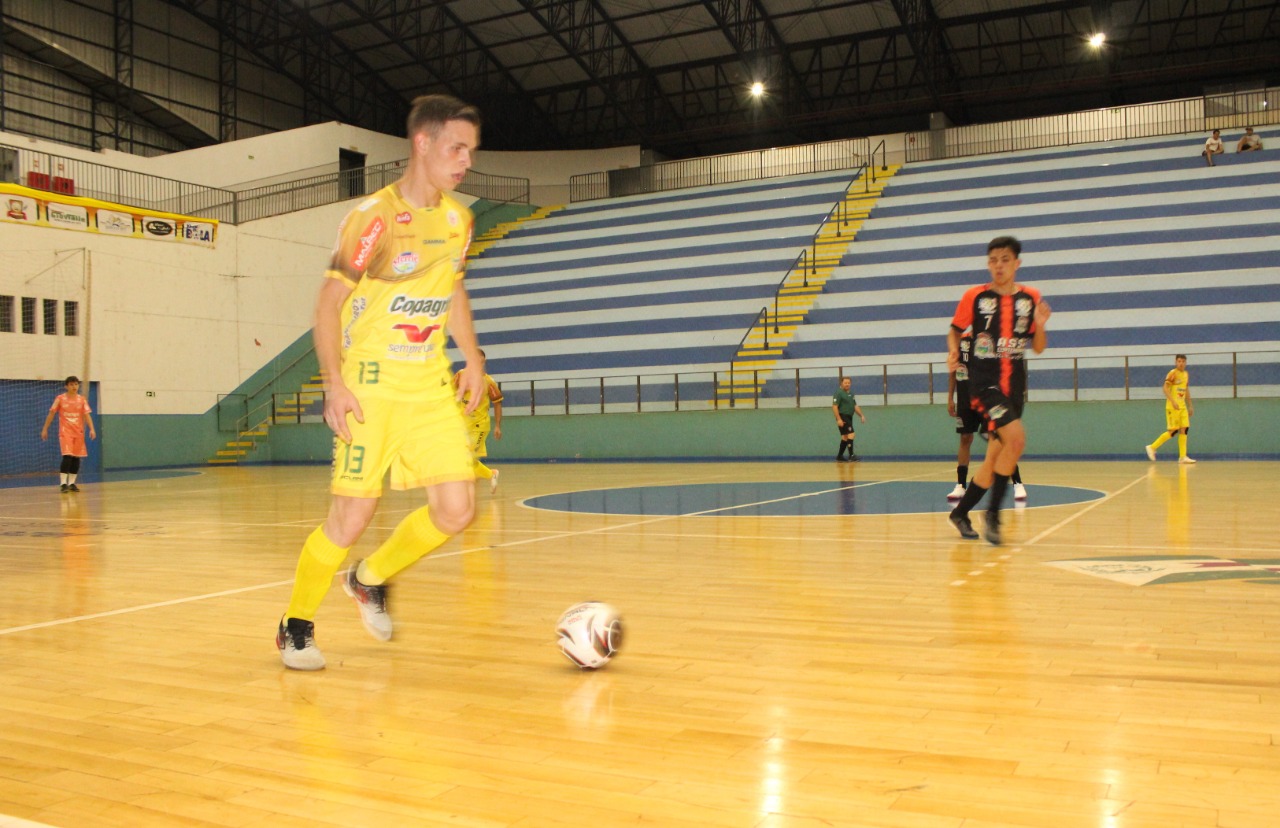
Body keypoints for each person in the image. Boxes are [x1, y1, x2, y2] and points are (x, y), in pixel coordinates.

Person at [276, 94, 487, 671]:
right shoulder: (373, 217)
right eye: (456, 147)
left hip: (428, 388)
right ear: (423, 144)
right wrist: (333, 384)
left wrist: (472, 356)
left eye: (470, 149)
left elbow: (454, 289)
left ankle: (369, 579)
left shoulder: (457, 220)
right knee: (349, 519)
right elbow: (328, 303)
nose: (466, 160)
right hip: (369, 386)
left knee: (456, 510)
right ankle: (295, 625)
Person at [946, 237, 1051, 544]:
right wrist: (953, 352)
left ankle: (960, 513)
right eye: (993, 260)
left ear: (1016, 263)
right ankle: (993, 514)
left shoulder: (1030, 298)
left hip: (1014, 385)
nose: (999, 265)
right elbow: (954, 331)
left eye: (1005, 259)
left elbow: (1039, 348)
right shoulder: (975, 297)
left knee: (995, 458)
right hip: (984, 382)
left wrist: (1041, 324)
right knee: (1016, 439)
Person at [947, 332, 1027, 502]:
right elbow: (953, 370)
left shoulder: (991, 339)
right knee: (965, 438)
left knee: (1000, 439)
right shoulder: (961, 341)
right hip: (965, 398)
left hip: (987, 397)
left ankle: (1017, 483)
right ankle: (961, 485)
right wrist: (949, 398)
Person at [452, 349, 503, 493]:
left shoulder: (488, 382)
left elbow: (497, 403)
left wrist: (498, 426)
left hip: (479, 425)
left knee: (467, 458)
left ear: (483, 362)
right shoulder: (461, 375)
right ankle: (490, 474)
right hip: (462, 425)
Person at [40, 376, 96, 493]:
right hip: (65, 432)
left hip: (79, 433)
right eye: (71, 384)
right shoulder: (60, 399)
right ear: (66, 386)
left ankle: (72, 483)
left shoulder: (82, 400)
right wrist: (45, 429)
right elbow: (51, 414)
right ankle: (63, 483)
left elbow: (87, 415)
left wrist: (92, 429)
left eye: (76, 384)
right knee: (67, 456)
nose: (74, 387)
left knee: (76, 458)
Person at [1144, 354, 1195, 464]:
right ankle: (1152, 447)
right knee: (1173, 431)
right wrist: (1173, 401)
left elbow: (1186, 389)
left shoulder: (1186, 374)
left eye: (1183, 361)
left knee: (1184, 429)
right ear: (1176, 362)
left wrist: (1190, 405)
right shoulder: (1173, 373)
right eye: (1179, 361)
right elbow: (1165, 388)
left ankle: (1182, 457)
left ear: (1186, 363)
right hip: (1173, 406)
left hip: (1182, 406)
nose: (1181, 363)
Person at [831, 375, 866, 461]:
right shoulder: (838, 393)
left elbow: (855, 406)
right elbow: (834, 406)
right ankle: (851, 455)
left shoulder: (851, 393)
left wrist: (861, 415)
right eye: (845, 383)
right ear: (841, 383)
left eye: (849, 383)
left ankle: (839, 456)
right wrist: (838, 419)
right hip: (843, 416)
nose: (847, 384)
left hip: (849, 416)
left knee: (845, 437)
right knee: (851, 434)